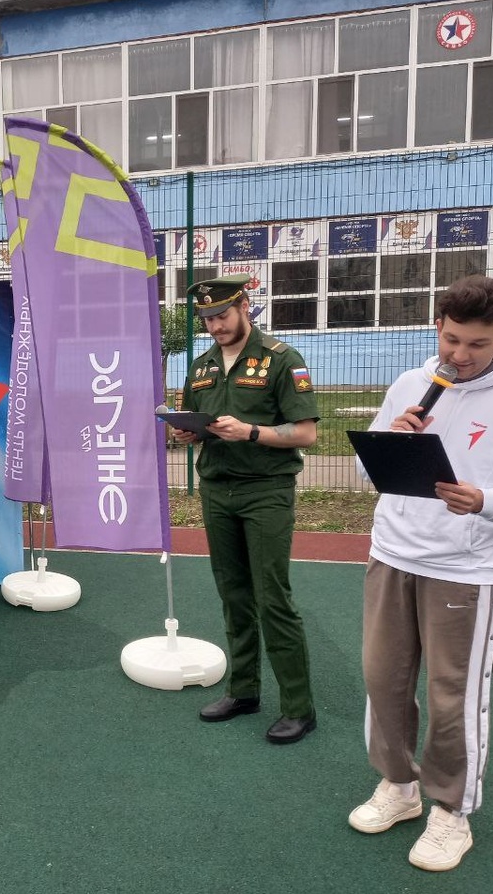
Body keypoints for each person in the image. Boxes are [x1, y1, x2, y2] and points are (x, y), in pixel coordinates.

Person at [348, 277, 493, 872]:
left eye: (477, 344)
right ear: (437, 327)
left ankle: (451, 812)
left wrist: (486, 501)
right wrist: (390, 441)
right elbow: (371, 468)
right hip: (392, 556)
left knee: (453, 699)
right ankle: (399, 786)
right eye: (451, 340)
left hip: (465, 572)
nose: (460, 355)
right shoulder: (409, 384)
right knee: (383, 682)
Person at [170, 273, 319, 744]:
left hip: (265, 491)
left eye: (222, 315)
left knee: (272, 598)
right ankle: (243, 691)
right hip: (217, 490)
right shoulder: (202, 366)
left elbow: (306, 433)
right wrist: (187, 432)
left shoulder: (281, 359)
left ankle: (299, 707)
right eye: (207, 318)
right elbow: (198, 424)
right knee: (233, 595)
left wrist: (251, 431)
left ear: (244, 306)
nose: (215, 326)